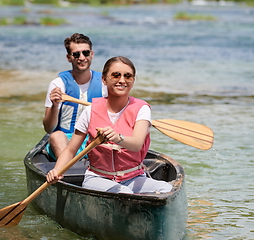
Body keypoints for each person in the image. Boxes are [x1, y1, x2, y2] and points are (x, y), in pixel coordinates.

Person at [46, 56, 172, 194]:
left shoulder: (142, 109)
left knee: (166, 189)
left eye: (128, 76)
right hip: (98, 177)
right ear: (104, 79)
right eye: (116, 75)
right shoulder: (90, 110)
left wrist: (118, 138)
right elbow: (70, 150)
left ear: (133, 81)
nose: (122, 80)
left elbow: (137, 144)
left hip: (133, 177)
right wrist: (57, 170)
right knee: (124, 193)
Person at [43, 33, 106, 160]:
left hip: (94, 140)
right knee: (55, 136)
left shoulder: (105, 83)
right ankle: (68, 172)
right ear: (68, 57)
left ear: (92, 54)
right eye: (76, 54)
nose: (82, 58)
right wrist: (54, 106)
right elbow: (49, 128)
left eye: (86, 53)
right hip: (66, 141)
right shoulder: (58, 84)